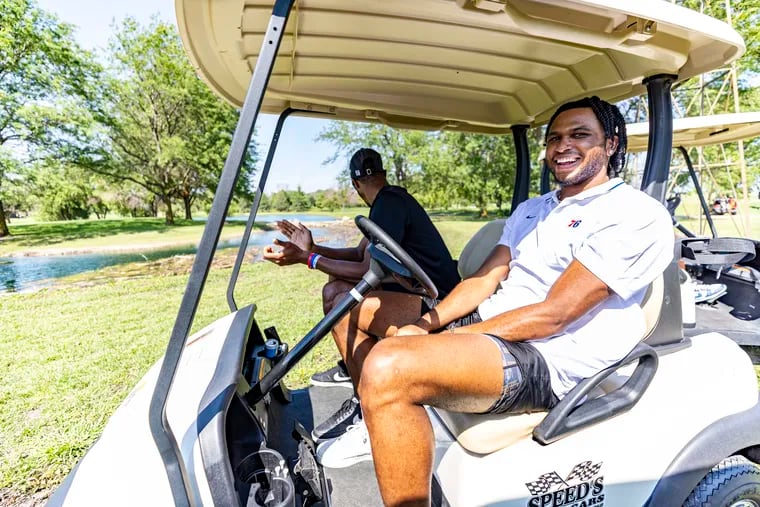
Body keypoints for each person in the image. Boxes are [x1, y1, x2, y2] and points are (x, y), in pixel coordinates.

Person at [315, 97, 674, 505]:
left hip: (547, 357)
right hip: (494, 327)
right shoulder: (532, 210)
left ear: (610, 144)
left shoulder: (633, 214)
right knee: (349, 306)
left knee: (387, 365)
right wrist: (429, 323)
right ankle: (377, 416)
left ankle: (384, 400)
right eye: (554, 138)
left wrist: (437, 340)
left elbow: (554, 315)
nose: (562, 146)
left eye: (579, 135)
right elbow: (482, 281)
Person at [263, 147, 460, 435]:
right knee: (335, 289)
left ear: (356, 185)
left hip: (440, 306)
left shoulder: (388, 205)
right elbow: (359, 255)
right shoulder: (389, 202)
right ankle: (355, 369)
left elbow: (364, 272)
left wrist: (307, 259)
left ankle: (369, 404)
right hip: (422, 295)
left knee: (343, 304)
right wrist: (313, 249)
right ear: (382, 174)